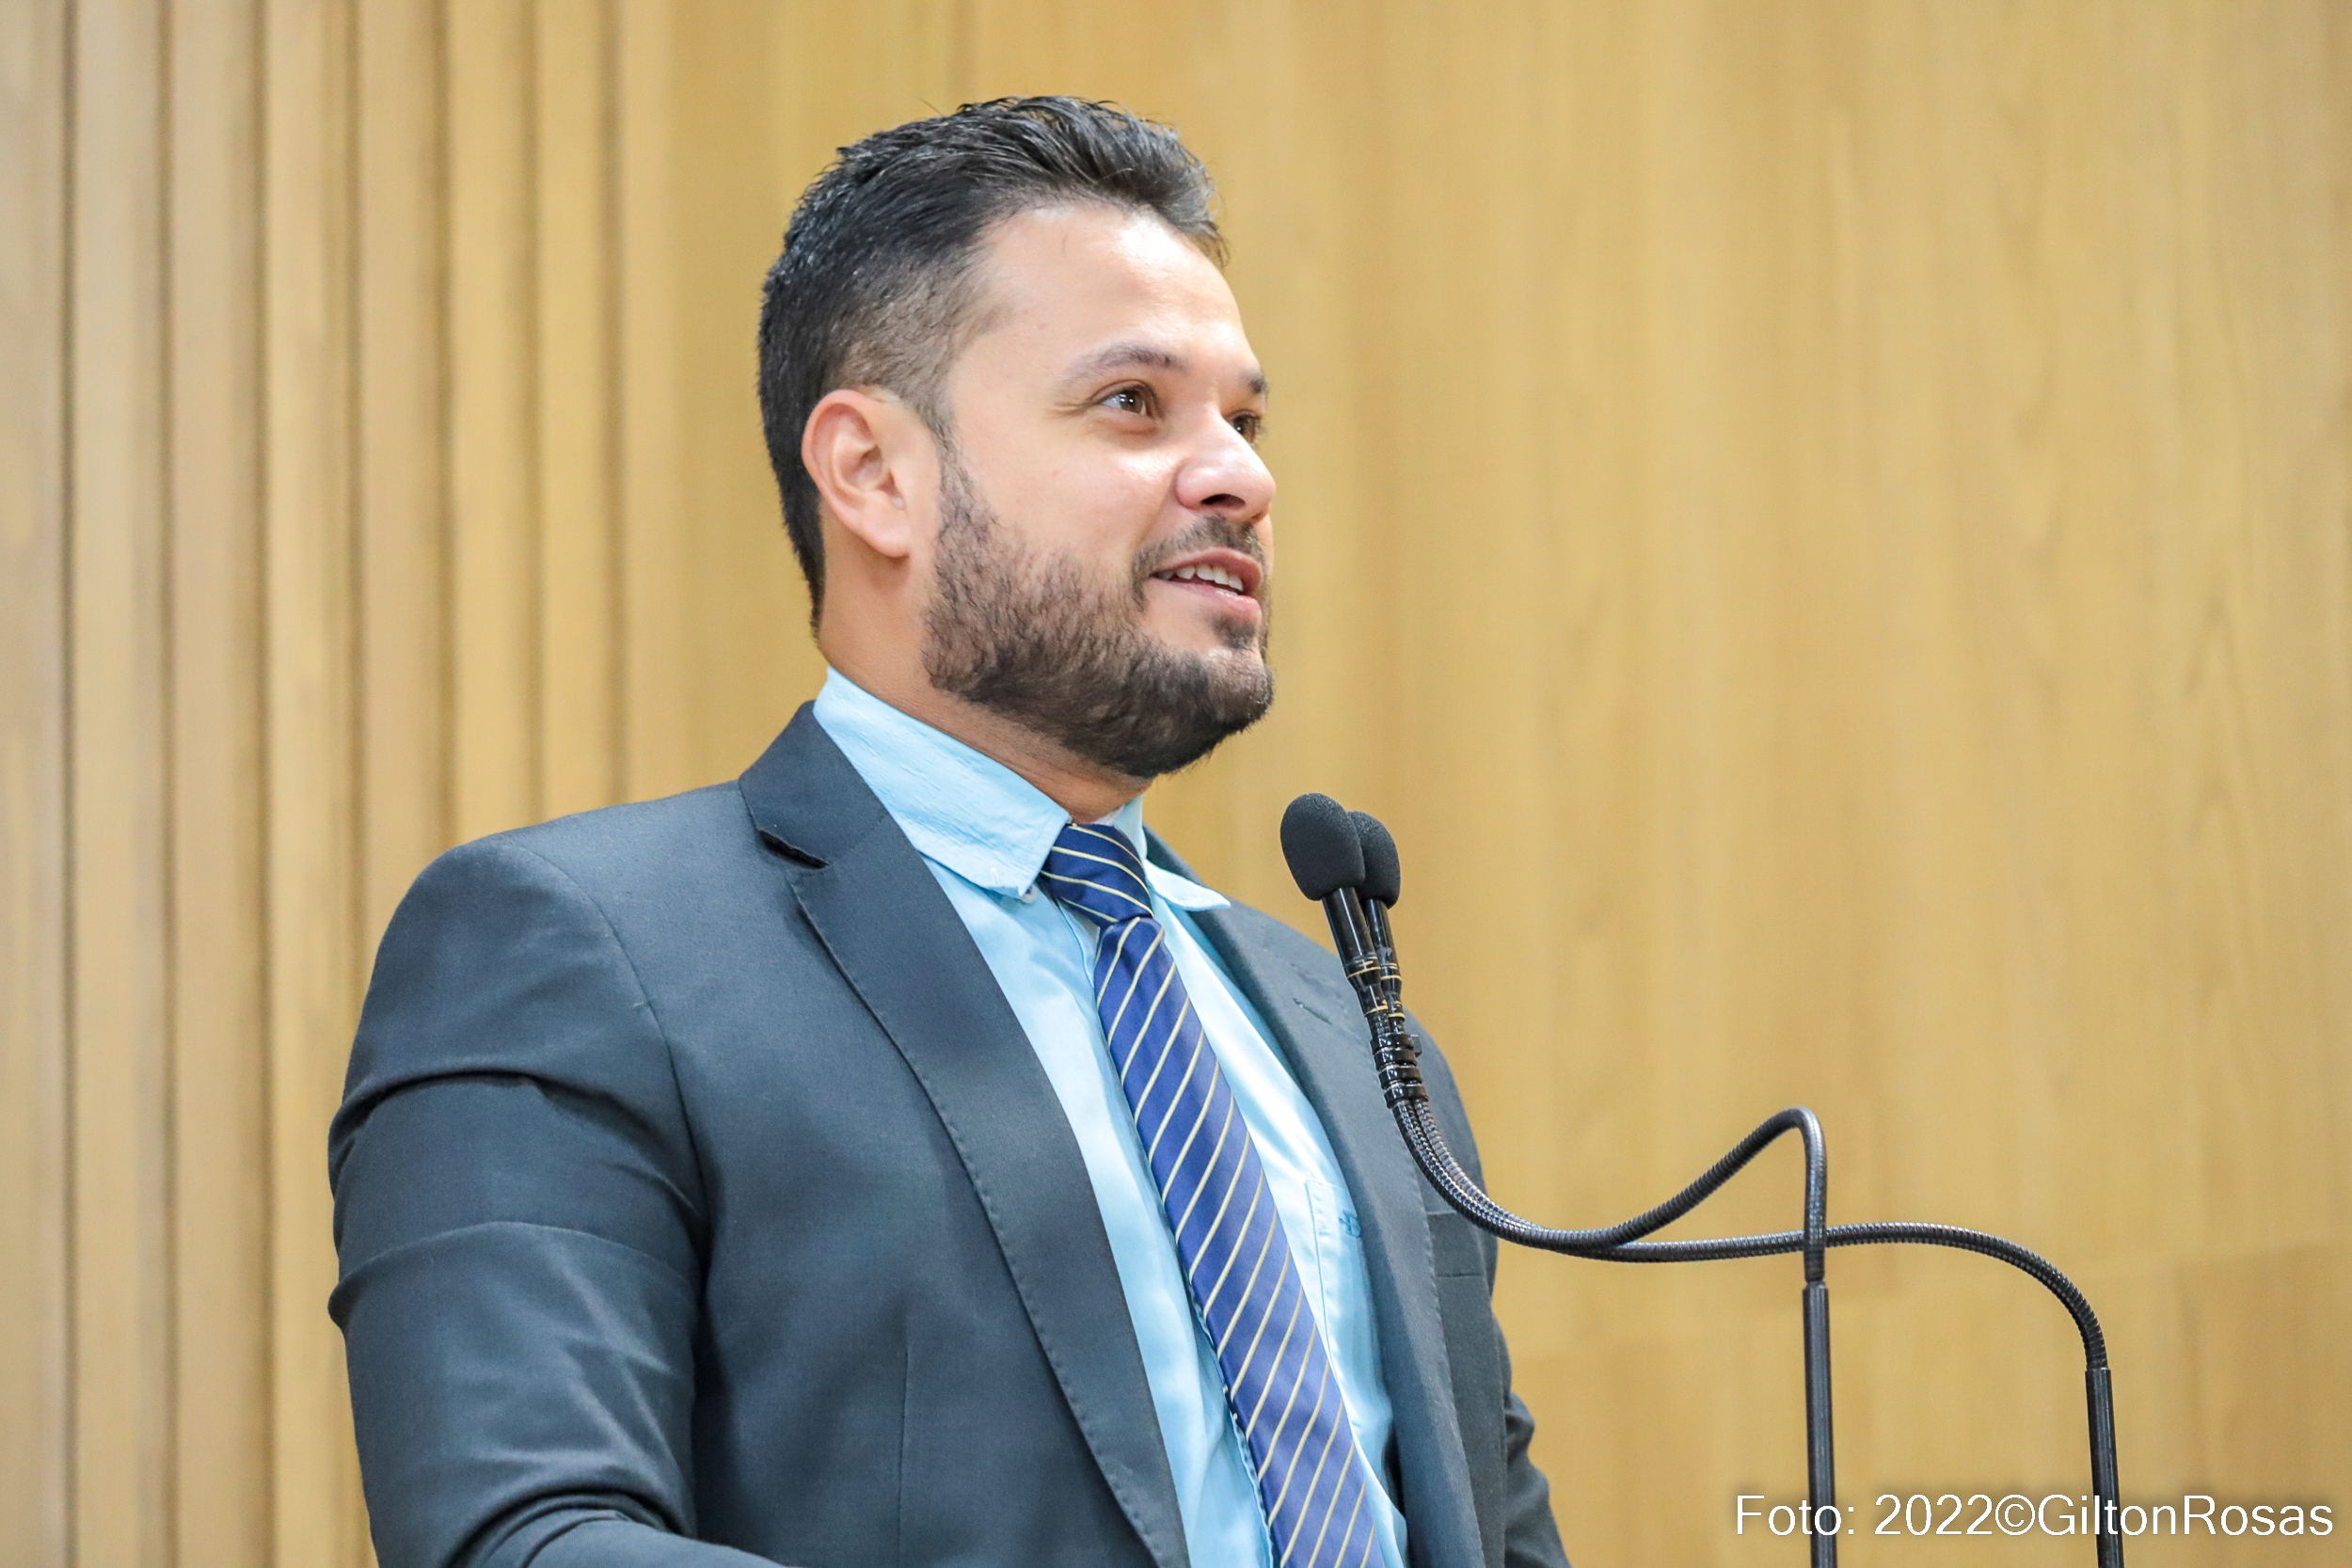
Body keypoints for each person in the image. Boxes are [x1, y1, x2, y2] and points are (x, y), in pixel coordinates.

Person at [331, 97, 1570, 1568]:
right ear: (873, 474)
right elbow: (525, 1540)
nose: (1242, 477)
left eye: (1242, 421)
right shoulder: (581, 954)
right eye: (1134, 403)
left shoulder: (1354, 1038)